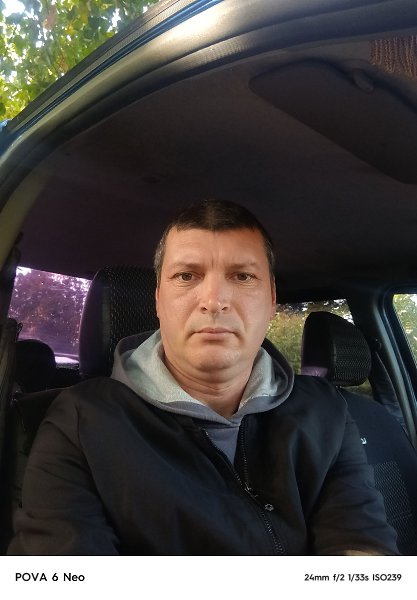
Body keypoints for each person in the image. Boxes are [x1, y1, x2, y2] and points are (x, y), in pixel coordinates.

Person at [8, 200, 398, 555]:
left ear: (271, 301)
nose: (214, 300)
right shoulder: (80, 422)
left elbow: (360, 542)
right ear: (158, 300)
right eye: (186, 276)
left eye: (242, 276)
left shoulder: (326, 410)